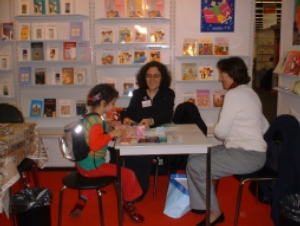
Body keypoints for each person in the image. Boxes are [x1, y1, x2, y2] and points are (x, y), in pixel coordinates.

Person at [187, 57, 269, 226]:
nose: (220, 78)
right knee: (195, 155)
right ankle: (202, 204)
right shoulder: (250, 92)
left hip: (247, 154)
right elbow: (265, 125)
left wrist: (232, 137)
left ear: (233, 74)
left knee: (196, 166)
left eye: (223, 74)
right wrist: (237, 136)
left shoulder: (234, 94)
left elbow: (220, 132)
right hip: (248, 152)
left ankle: (215, 212)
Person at [70, 84, 144, 224]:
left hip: (82, 164)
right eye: (112, 104)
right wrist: (112, 134)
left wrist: (109, 126)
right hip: (92, 168)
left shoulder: (91, 116)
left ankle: (82, 201)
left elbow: (95, 131)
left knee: (103, 173)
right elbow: (95, 144)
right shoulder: (97, 122)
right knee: (128, 174)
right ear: (103, 103)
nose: (113, 106)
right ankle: (129, 205)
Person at [121, 61, 175, 199]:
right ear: (144, 77)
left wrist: (151, 121)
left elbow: (168, 115)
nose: (152, 79)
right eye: (149, 76)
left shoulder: (167, 93)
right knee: (132, 150)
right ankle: (134, 186)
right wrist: (126, 118)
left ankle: (140, 187)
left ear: (162, 77)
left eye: (156, 76)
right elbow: (129, 112)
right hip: (140, 133)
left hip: (161, 133)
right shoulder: (139, 93)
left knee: (142, 151)